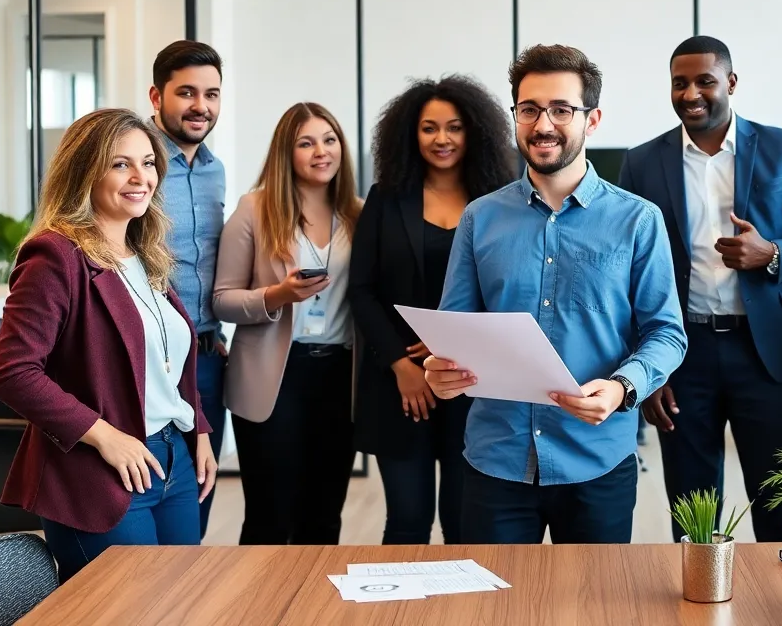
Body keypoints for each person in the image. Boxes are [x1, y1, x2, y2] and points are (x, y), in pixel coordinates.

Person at [423, 44, 686, 545]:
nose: (543, 124)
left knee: (594, 613)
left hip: (597, 460)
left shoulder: (638, 220)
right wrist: (441, 371)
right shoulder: (480, 218)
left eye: (561, 110)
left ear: (592, 119)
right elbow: (454, 329)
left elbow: (666, 334)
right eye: (529, 109)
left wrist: (623, 387)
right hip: (496, 458)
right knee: (492, 610)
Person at [618, 35, 782, 543]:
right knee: (692, 509)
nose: (691, 93)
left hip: (767, 355)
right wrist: (645, 370)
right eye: (679, 83)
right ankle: (701, 605)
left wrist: (771, 254)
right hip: (682, 352)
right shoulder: (642, 163)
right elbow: (624, 272)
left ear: (731, 83)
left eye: (705, 81)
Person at [0, 108, 216, 583]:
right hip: (102, 471)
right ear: (84, 171)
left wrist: (197, 428)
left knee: (182, 604)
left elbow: (169, 358)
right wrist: (105, 436)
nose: (141, 177)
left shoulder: (146, 253)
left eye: (148, 162)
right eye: (120, 164)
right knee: (131, 611)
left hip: (174, 462)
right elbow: (12, 372)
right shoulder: (55, 255)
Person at [350, 75, 517, 544]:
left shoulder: (501, 202)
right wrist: (402, 366)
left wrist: (458, 343)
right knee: (406, 520)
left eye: (455, 127)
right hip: (402, 389)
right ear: (410, 133)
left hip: (476, 385)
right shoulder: (386, 198)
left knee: (467, 524)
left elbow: (511, 292)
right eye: (429, 128)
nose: (442, 139)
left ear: (475, 132)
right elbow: (362, 290)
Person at [213, 102, 363, 545]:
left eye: (330, 139)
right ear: (286, 152)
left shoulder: (359, 212)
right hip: (274, 375)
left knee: (325, 515)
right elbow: (222, 300)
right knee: (270, 515)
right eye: (307, 142)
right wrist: (277, 295)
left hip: (340, 375)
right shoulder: (254, 209)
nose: (322, 151)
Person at [147, 39, 228, 538]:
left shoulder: (215, 170)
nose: (201, 106)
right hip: (148, 358)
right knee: (148, 484)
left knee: (199, 491)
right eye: (187, 93)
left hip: (206, 355)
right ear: (156, 97)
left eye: (212, 94)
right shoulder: (135, 165)